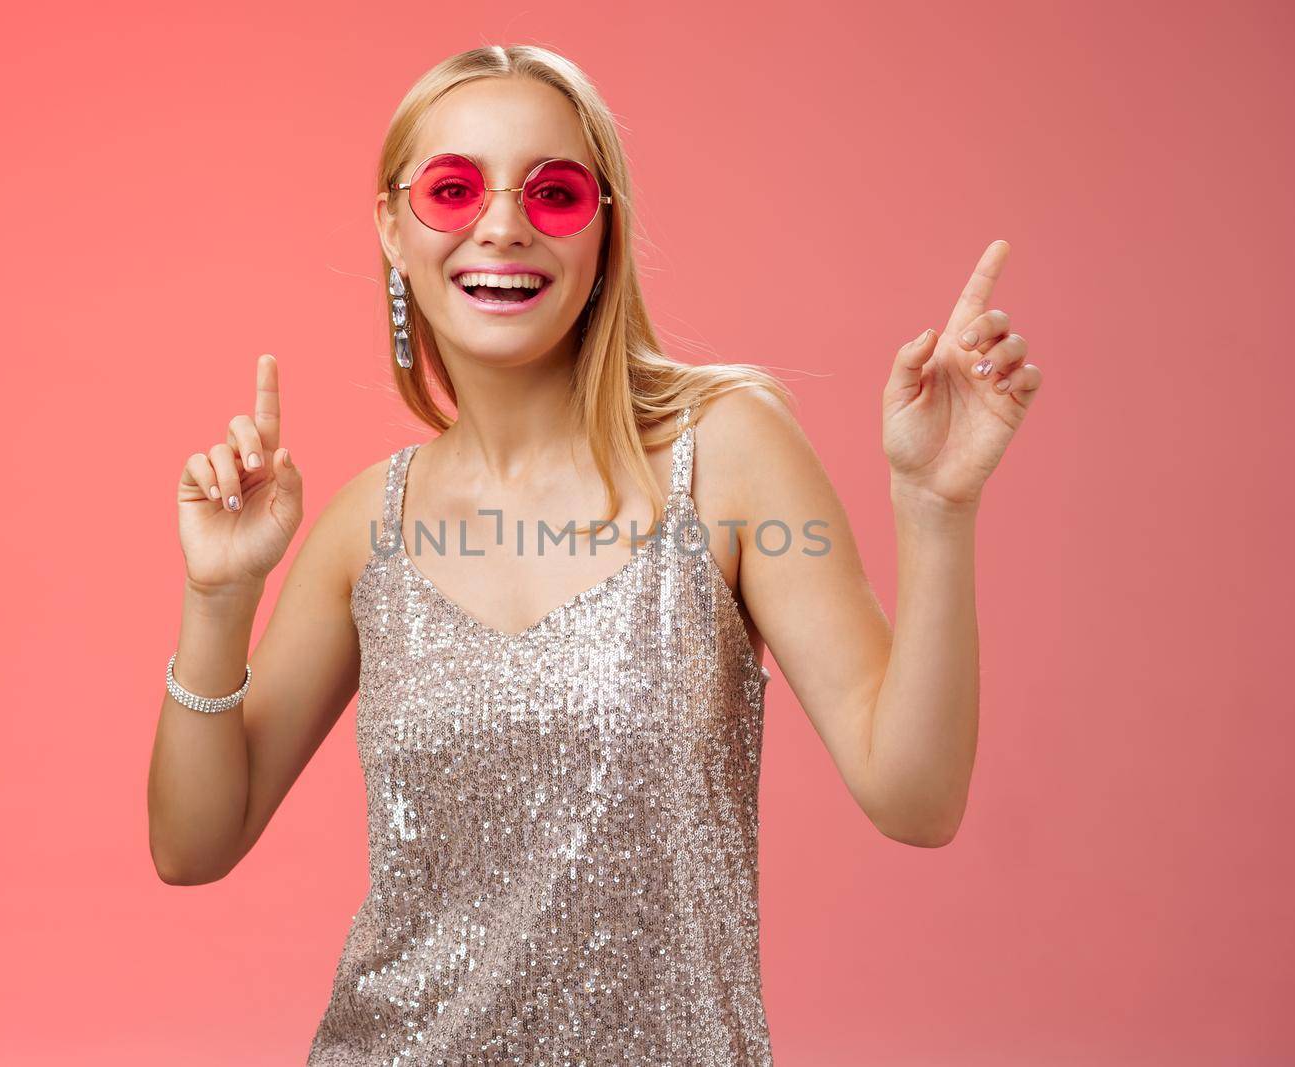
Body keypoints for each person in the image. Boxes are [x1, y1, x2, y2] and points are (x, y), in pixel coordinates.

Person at [146, 43, 1042, 1067]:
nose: (501, 225)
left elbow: (915, 798)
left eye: (555, 193)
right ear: (393, 228)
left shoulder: (728, 454)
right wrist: (217, 598)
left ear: (604, 228)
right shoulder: (367, 525)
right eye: (451, 189)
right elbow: (191, 846)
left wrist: (933, 505)